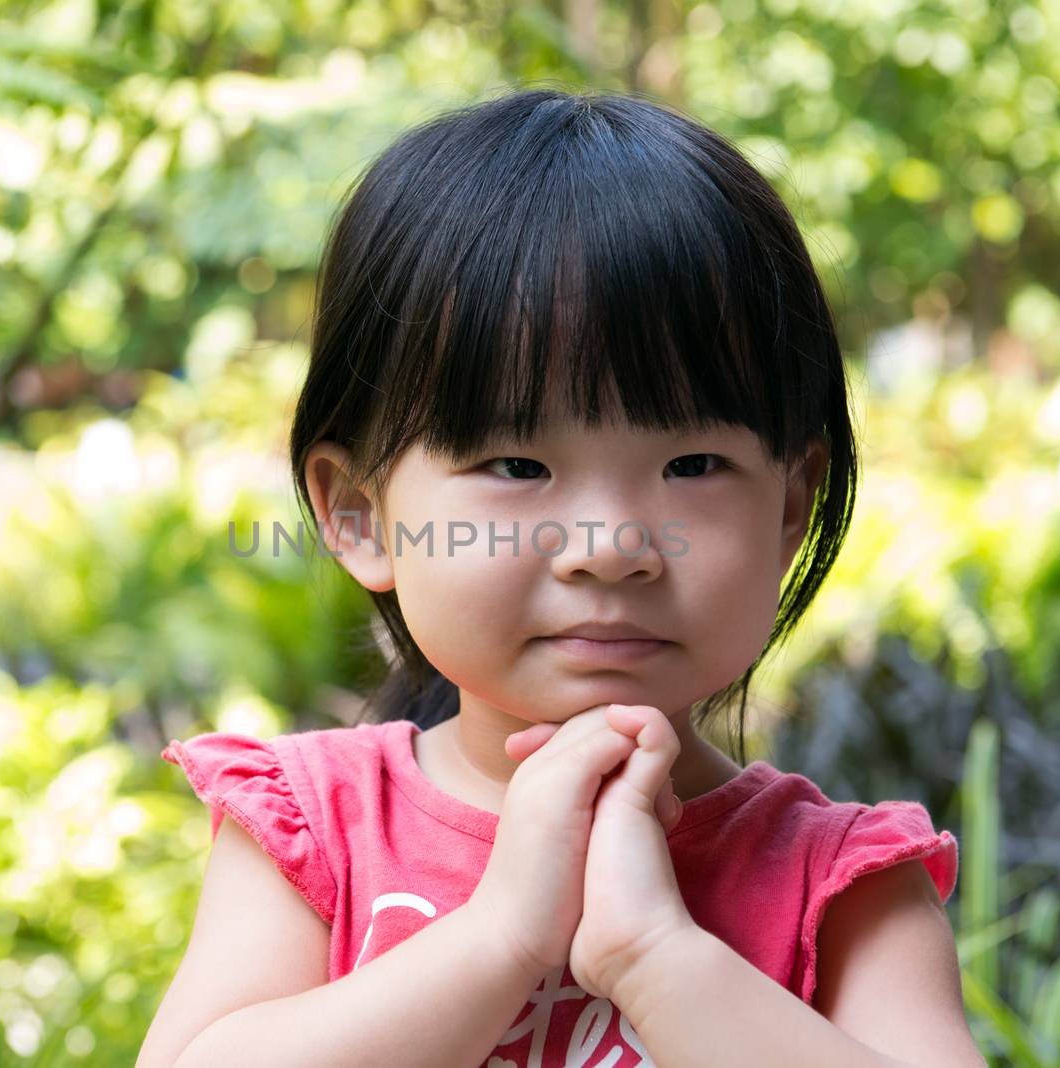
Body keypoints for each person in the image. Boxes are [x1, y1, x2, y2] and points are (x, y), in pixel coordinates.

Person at [137, 86, 985, 1068]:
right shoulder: (317, 829)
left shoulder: (838, 885)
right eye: (516, 468)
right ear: (357, 513)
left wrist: (656, 957)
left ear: (790, 504)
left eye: (692, 466)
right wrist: (502, 933)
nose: (610, 543)